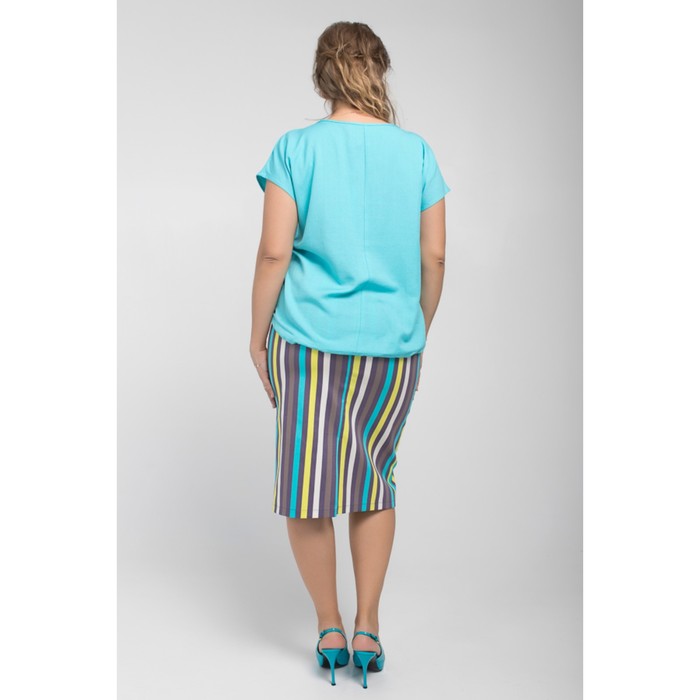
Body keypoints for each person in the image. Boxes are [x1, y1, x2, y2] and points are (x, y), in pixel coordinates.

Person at [249, 20, 450, 688]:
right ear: (378, 69)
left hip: (309, 341)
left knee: (309, 487)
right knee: (373, 479)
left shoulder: (295, 148)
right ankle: (369, 627)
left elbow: (274, 252)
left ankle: (329, 628)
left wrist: (257, 336)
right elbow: (435, 255)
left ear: (321, 76)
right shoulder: (416, 153)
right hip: (393, 346)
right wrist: (414, 325)